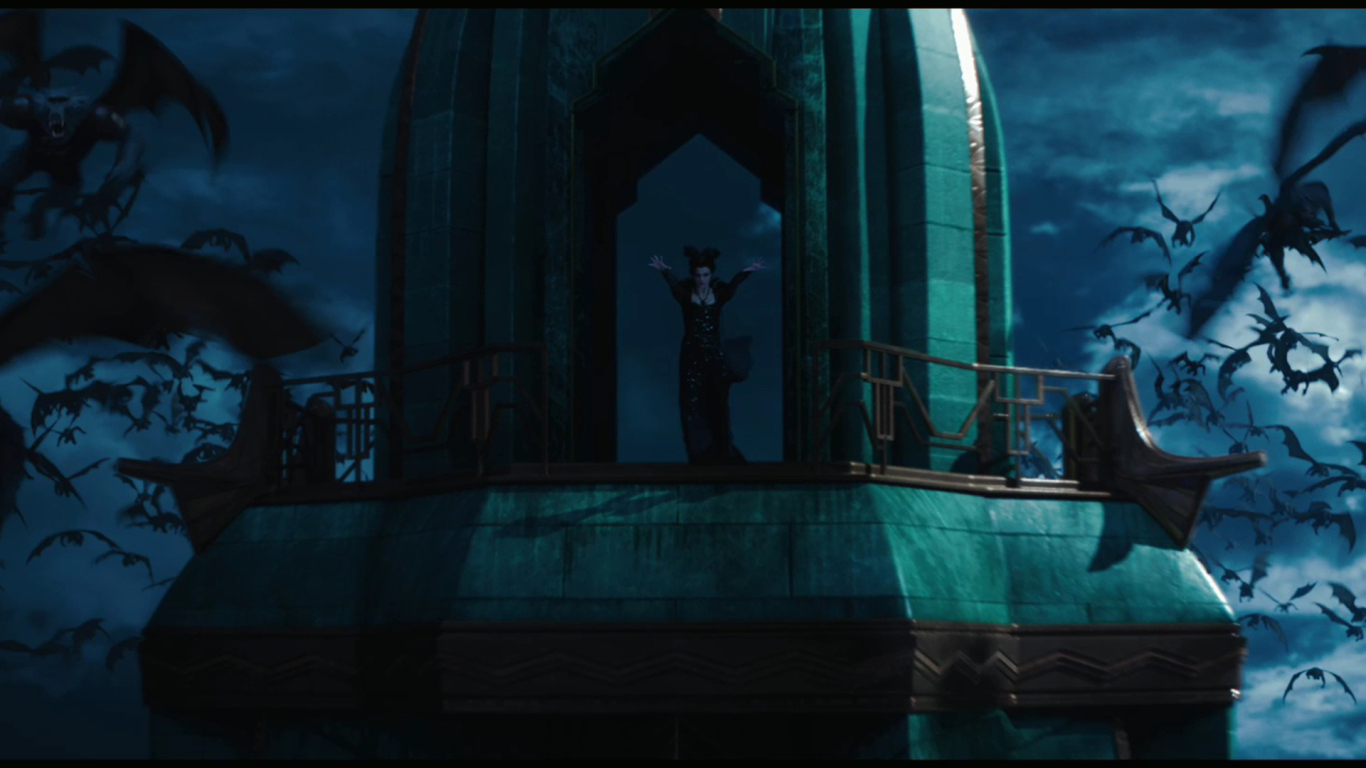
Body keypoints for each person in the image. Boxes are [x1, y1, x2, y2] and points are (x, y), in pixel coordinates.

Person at [649, 245, 767, 465]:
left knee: (718, 401)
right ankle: (699, 453)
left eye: (705, 275)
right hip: (692, 355)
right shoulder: (686, 295)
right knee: (693, 403)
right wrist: (664, 270)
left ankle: (723, 451)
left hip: (713, 354)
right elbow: (674, 286)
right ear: (693, 276)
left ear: (710, 274)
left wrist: (748, 271)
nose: (701, 279)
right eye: (698, 275)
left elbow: (733, 286)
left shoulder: (718, 293)